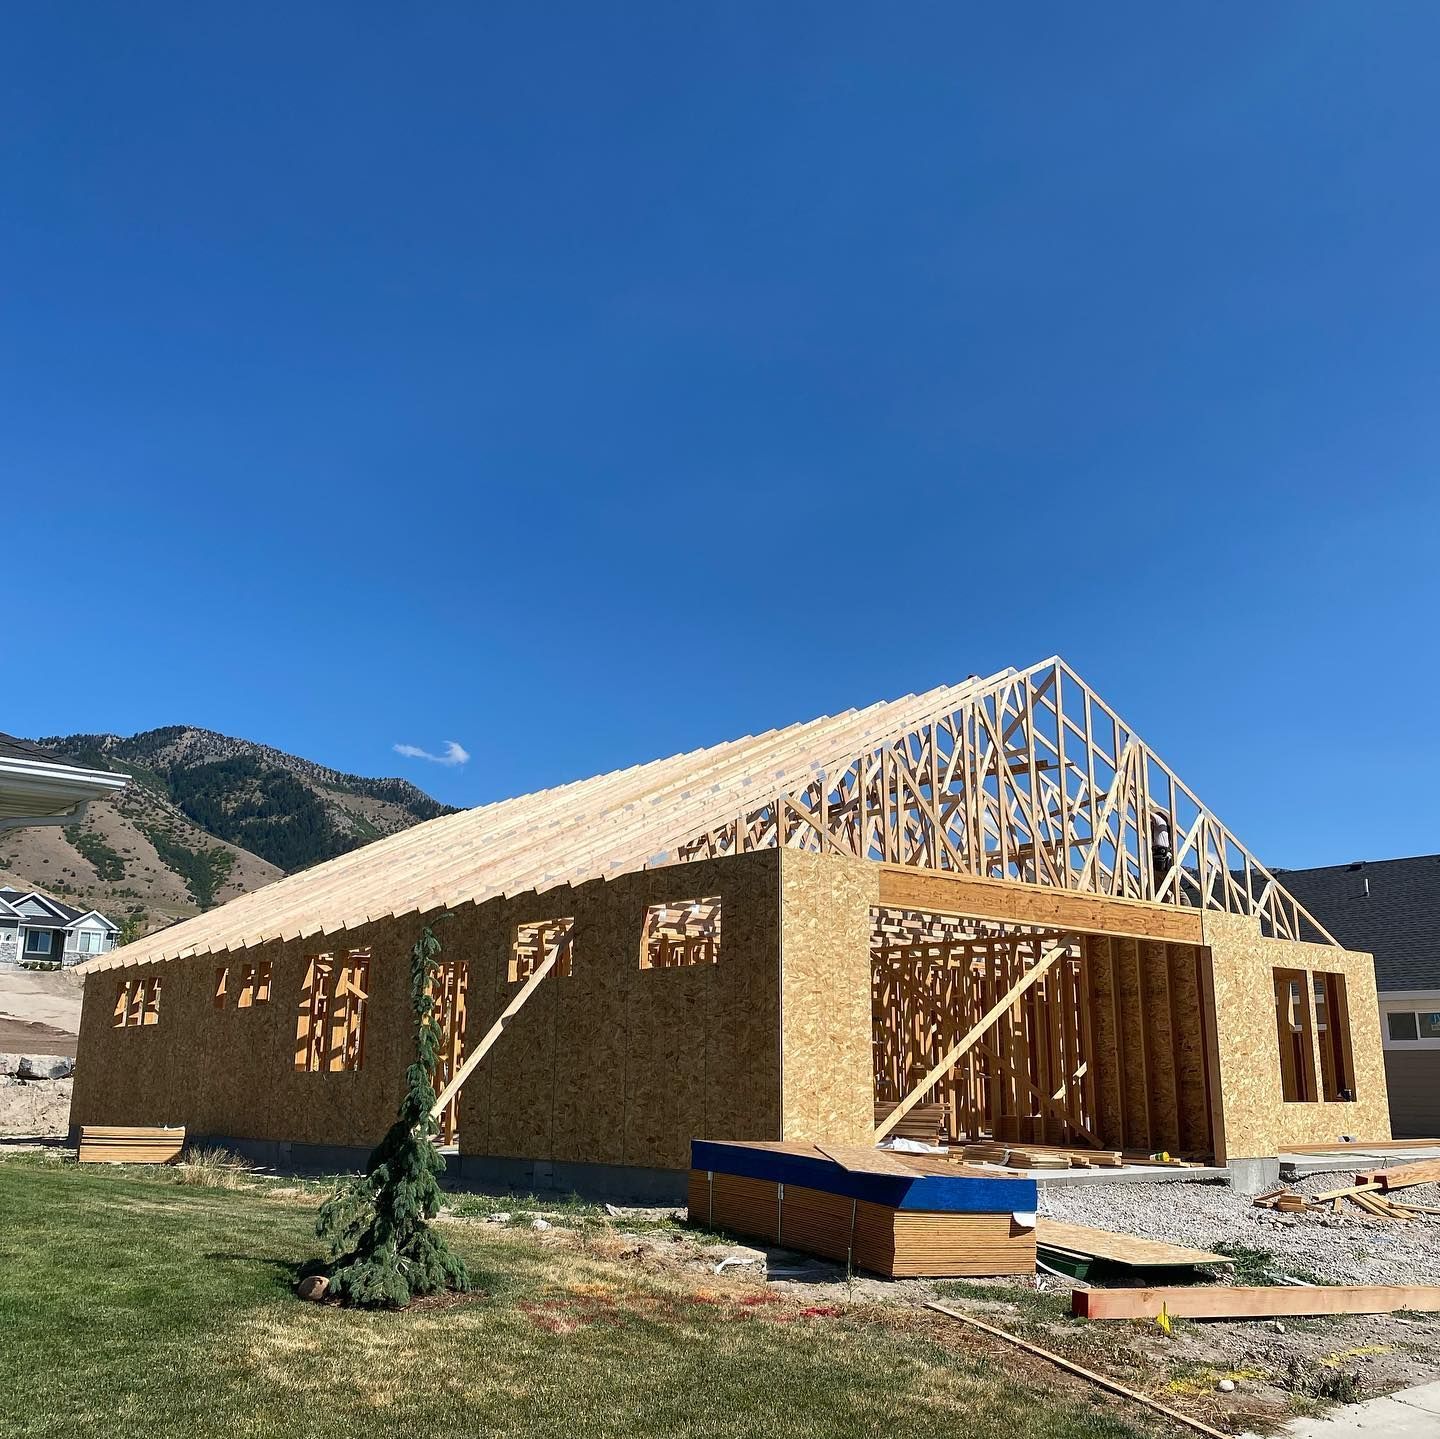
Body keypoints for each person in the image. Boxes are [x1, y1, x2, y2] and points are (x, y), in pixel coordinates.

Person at [1149, 809, 1174, 891]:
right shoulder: (1157, 830)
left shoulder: (1161, 821)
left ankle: (1186, 904)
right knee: (1157, 889)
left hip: (1162, 860)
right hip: (1158, 861)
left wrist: (1136, 801)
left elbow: (1146, 812)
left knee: (1175, 889)